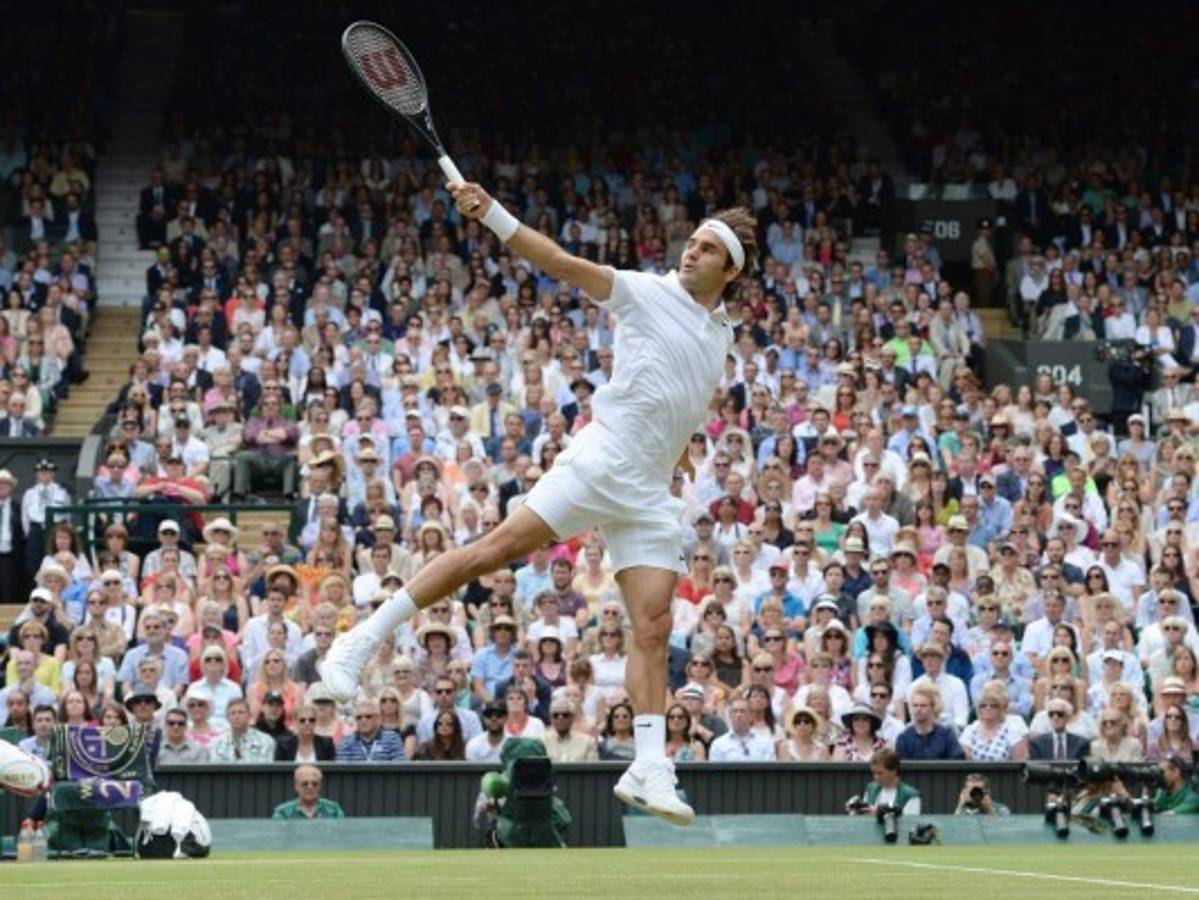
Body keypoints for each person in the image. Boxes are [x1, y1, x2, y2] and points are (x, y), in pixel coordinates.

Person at [321, 190, 759, 827]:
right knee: (492, 553)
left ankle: (648, 765)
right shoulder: (644, 290)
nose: (691, 251)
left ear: (732, 271)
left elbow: (674, 395)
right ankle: (360, 641)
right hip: (601, 461)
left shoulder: (719, 334)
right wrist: (492, 213)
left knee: (655, 625)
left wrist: (680, 451)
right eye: (692, 242)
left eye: (708, 248)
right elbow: (555, 260)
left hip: (648, 489)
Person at [894, 683, 964, 760]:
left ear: (934, 707)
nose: (918, 709)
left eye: (923, 705)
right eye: (915, 705)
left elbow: (957, 762)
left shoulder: (947, 736)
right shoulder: (904, 738)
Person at [847, 748, 921, 817]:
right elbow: (864, 820)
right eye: (873, 773)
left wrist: (879, 813)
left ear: (894, 771)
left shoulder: (911, 795)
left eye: (880, 773)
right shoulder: (870, 788)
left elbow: (909, 824)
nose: (875, 777)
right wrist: (856, 812)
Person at [708, 696, 776, 761]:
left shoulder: (766, 743)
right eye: (735, 711)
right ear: (730, 716)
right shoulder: (718, 744)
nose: (738, 715)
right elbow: (716, 772)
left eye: (742, 711)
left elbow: (770, 771)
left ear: (751, 716)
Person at [209, 698, 276, 763]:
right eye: (233, 713)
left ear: (249, 716)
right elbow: (218, 771)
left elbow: (264, 769)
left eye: (240, 712)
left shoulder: (265, 741)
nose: (236, 717)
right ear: (227, 718)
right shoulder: (217, 743)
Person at [336, 699, 405, 762]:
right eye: (359, 718)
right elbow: (342, 770)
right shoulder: (346, 741)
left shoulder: (392, 739)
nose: (363, 720)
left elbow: (399, 768)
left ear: (378, 719)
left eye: (368, 716)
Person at [271, 764, 345, 820]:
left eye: (315, 784)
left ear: (320, 786)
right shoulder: (282, 812)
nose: (310, 787)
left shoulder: (334, 810)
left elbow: (342, 836)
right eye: (305, 784)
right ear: (296, 787)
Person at [542, 697, 598, 763]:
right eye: (555, 715)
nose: (560, 718)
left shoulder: (588, 742)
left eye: (565, 715)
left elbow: (593, 771)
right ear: (551, 718)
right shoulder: (542, 742)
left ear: (573, 717)